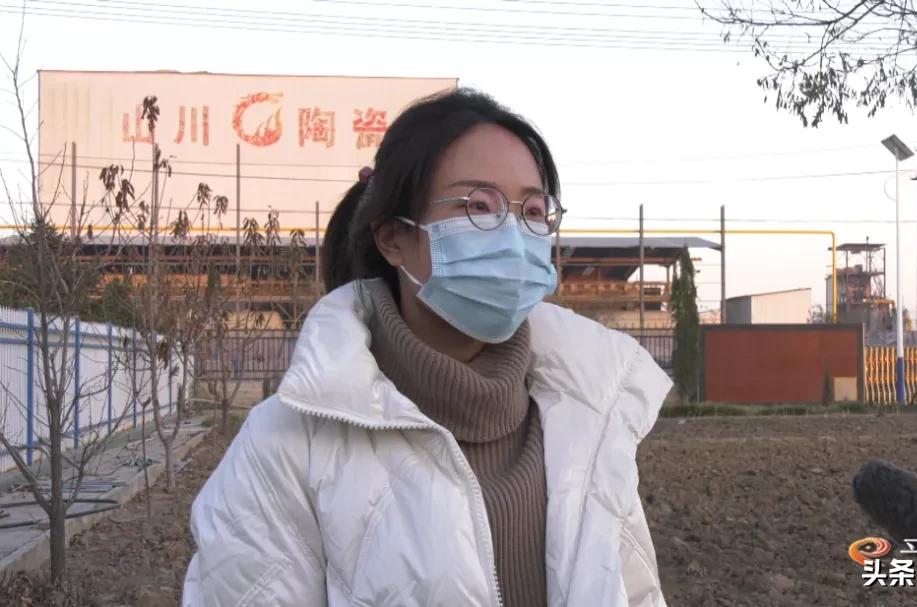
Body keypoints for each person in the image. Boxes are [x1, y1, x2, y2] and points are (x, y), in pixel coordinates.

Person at [182, 88, 671, 607]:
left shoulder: (591, 417)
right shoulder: (287, 445)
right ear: (393, 238)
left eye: (531, 210)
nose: (510, 234)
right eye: (478, 206)